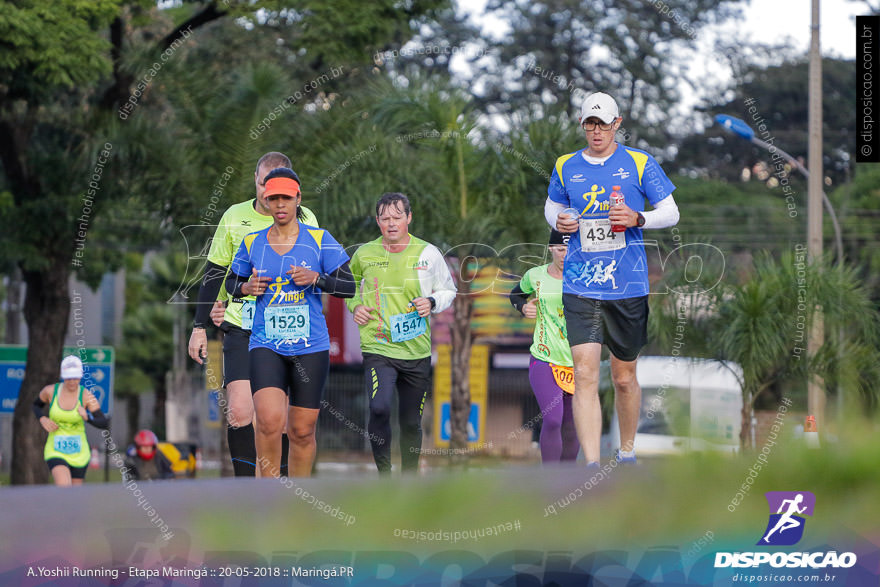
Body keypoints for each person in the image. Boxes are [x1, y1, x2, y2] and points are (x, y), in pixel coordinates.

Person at [544, 92, 680, 467]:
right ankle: (590, 465)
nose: (597, 131)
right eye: (590, 123)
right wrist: (558, 221)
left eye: (604, 124)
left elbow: (671, 212)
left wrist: (639, 218)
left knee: (622, 378)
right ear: (583, 126)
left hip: (627, 285)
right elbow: (553, 205)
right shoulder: (565, 165)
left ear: (617, 125)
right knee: (584, 374)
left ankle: (627, 451)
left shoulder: (639, 162)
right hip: (580, 283)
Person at [187, 152, 318, 477]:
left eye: (279, 187)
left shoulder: (307, 219)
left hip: (288, 330)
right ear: (256, 182)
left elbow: (318, 273)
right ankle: (246, 492)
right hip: (242, 326)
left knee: (279, 420)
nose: (270, 193)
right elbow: (216, 270)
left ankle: (280, 491)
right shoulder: (235, 217)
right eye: (264, 184)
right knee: (241, 412)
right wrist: (200, 324)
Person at [227, 167, 354, 477]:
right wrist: (247, 288)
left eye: (286, 198)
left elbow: (349, 286)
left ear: (298, 198)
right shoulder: (252, 242)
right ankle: (270, 498)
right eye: (273, 199)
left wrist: (317, 279)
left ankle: (299, 496)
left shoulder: (319, 240)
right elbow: (232, 283)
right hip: (265, 343)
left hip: (310, 346)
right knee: (269, 422)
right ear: (266, 201)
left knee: (301, 430)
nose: (280, 205)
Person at [346, 193, 456, 475]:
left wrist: (431, 302)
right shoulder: (364, 253)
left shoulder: (428, 253)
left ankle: (408, 478)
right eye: (385, 219)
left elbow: (448, 290)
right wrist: (355, 305)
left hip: (416, 350)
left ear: (409, 218)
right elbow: (347, 285)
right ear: (377, 221)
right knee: (379, 408)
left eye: (397, 217)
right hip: (378, 346)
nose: (391, 224)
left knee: (410, 421)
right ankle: (384, 474)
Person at [509, 230, 580, 463]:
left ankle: (567, 481)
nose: (564, 255)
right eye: (560, 249)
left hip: (578, 361)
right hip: (544, 358)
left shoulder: (586, 276)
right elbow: (516, 295)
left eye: (570, 250)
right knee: (553, 420)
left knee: (572, 426)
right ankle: (549, 480)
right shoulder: (535, 275)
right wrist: (524, 308)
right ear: (550, 249)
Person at [32, 356, 109, 486]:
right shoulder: (50, 391)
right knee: (64, 486)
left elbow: (103, 422)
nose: (72, 381)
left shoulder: (86, 396)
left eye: (75, 377)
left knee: (74, 497)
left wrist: (87, 418)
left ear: (80, 376)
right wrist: (42, 418)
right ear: (63, 376)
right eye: (68, 377)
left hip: (79, 452)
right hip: (55, 449)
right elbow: (35, 405)